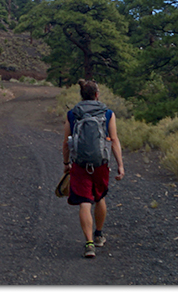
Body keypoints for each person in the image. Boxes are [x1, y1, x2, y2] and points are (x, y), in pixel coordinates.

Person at [62, 80, 125, 258]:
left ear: (82, 95)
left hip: (80, 164)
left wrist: (66, 163)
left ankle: (89, 244)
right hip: (101, 164)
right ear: (97, 95)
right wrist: (120, 165)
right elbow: (113, 140)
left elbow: (66, 142)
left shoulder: (72, 114)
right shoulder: (107, 113)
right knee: (100, 197)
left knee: (84, 202)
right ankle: (98, 234)